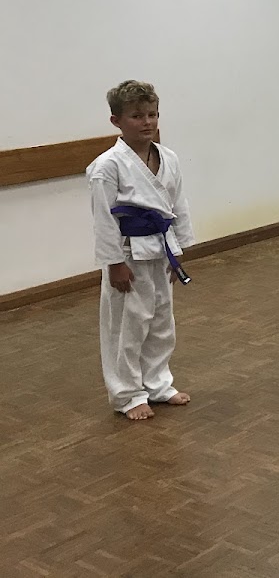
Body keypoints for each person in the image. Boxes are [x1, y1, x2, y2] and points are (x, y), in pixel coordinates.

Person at [87, 80, 194, 420]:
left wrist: (180, 246)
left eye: (152, 114)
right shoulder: (107, 166)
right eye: (136, 116)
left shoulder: (168, 158)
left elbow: (178, 204)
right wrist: (114, 263)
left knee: (162, 321)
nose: (147, 122)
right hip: (129, 253)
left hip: (161, 249)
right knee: (128, 326)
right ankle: (128, 394)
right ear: (116, 121)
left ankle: (158, 384)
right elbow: (104, 220)